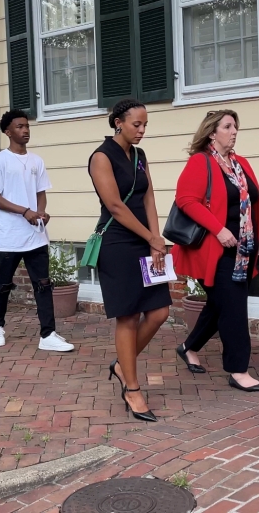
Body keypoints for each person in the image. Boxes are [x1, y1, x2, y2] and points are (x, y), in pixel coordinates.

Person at [172, 110, 259, 391]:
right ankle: (238, 371)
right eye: (227, 126)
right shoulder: (201, 162)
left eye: (236, 126)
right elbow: (186, 200)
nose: (234, 131)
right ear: (212, 132)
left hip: (243, 252)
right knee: (233, 308)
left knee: (219, 305)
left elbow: (258, 206)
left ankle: (188, 346)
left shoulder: (241, 164)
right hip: (214, 252)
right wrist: (218, 229)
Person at [88, 99, 171, 422]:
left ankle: (123, 365)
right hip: (117, 242)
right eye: (137, 124)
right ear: (118, 122)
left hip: (144, 241)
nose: (142, 130)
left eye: (145, 125)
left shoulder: (139, 156)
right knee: (128, 315)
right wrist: (149, 237)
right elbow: (116, 206)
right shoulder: (101, 157)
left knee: (160, 311)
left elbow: (148, 196)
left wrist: (156, 237)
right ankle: (132, 388)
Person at [0, 110, 74, 352]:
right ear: (8, 131)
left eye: (27, 126)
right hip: (10, 236)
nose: (25, 130)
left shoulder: (36, 161)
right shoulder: (0, 161)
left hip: (36, 235)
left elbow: (40, 192)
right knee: (2, 284)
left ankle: (48, 334)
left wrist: (41, 213)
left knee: (43, 284)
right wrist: (24, 211)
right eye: (19, 126)